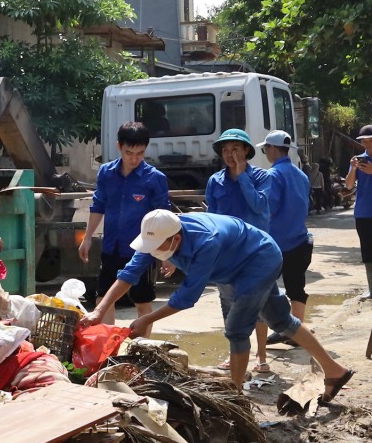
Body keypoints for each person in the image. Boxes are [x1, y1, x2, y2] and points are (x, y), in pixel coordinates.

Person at [81, 210, 354, 397]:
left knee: (236, 329)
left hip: (258, 259)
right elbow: (128, 275)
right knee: (282, 321)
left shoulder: (204, 243)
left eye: (160, 249)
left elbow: (186, 298)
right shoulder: (159, 234)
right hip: (232, 264)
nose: (153, 254)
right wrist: (98, 311)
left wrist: (145, 320)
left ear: (176, 239)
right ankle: (334, 370)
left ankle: (236, 397)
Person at [78, 122, 169, 334]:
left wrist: (166, 254)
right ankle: (107, 348)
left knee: (142, 301)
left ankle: (142, 347)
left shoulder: (155, 178)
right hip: (111, 247)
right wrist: (88, 237)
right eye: (129, 152)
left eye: (140, 153)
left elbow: (163, 218)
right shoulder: (106, 173)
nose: (134, 158)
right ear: (119, 147)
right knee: (104, 299)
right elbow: (98, 205)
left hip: (142, 251)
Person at [204, 129, 271, 371]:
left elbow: (259, 205)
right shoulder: (215, 181)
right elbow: (211, 217)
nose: (229, 154)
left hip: (257, 254)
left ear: (246, 151)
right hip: (227, 254)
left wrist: (243, 177)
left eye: (235, 149)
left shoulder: (262, 177)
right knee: (228, 304)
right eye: (225, 150)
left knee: (262, 306)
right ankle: (235, 354)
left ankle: (262, 357)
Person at [254, 131, 313, 356]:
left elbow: (269, 208)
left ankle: (272, 337)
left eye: (265, 149)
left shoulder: (273, 175)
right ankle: (296, 333)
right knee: (296, 288)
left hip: (276, 244)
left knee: (264, 290)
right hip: (300, 240)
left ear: (272, 149)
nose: (265, 153)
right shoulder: (301, 175)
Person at [344, 124, 372, 297]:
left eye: (370, 142)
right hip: (363, 213)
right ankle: (371, 289)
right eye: (365, 142)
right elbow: (348, 185)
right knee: (367, 253)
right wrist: (353, 168)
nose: (368, 146)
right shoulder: (359, 159)